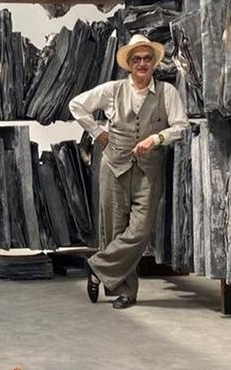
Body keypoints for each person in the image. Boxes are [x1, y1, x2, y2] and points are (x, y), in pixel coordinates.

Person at [68, 34, 189, 309]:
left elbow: (181, 126)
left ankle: (97, 267)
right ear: (129, 64)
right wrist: (98, 132)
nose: (142, 64)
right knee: (114, 230)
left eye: (147, 59)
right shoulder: (113, 90)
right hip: (114, 166)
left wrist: (156, 139)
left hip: (149, 170)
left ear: (154, 63)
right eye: (137, 59)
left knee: (141, 231)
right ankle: (126, 292)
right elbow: (77, 105)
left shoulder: (167, 93)